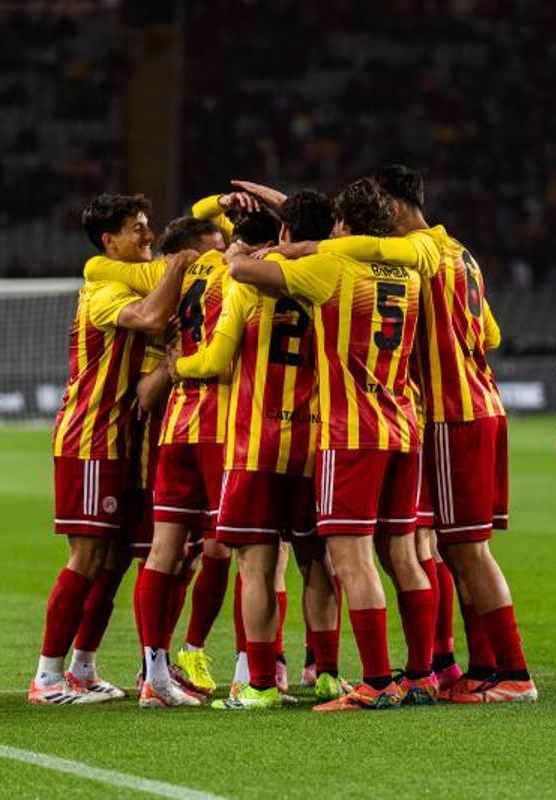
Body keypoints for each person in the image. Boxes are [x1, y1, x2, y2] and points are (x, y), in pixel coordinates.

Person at [284, 165, 535, 703]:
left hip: (450, 413)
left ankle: (512, 671)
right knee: (449, 546)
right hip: (481, 403)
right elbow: (489, 331)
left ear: (394, 210)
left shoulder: (420, 252)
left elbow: (354, 252)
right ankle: (478, 669)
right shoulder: (461, 253)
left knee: (466, 550)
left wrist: (292, 251)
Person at [228, 178, 433, 712]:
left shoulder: (332, 269)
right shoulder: (408, 271)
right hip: (402, 426)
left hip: (352, 431)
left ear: (341, 226)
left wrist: (252, 244)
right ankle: (421, 674)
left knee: (353, 560)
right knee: (404, 556)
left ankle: (378, 682)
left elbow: (243, 270)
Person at [172, 189, 347, 710]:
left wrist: (174, 367)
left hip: (255, 445)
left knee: (256, 566)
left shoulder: (245, 285)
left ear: (286, 235)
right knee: (317, 562)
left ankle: (263, 684)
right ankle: (329, 674)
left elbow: (217, 361)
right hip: (314, 444)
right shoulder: (331, 280)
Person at [28, 193, 196, 705]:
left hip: (122, 438)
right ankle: (47, 677)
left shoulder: (127, 277)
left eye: (149, 226)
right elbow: (148, 319)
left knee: (117, 558)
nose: (149, 237)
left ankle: (83, 667)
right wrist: (183, 262)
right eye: (138, 229)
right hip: (90, 437)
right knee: (88, 556)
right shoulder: (101, 288)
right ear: (110, 242)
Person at [134, 204, 281, 709]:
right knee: (253, 556)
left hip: (177, 425)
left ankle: (154, 674)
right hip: (225, 429)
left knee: (163, 551)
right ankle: (250, 672)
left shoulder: (184, 269)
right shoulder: (241, 277)